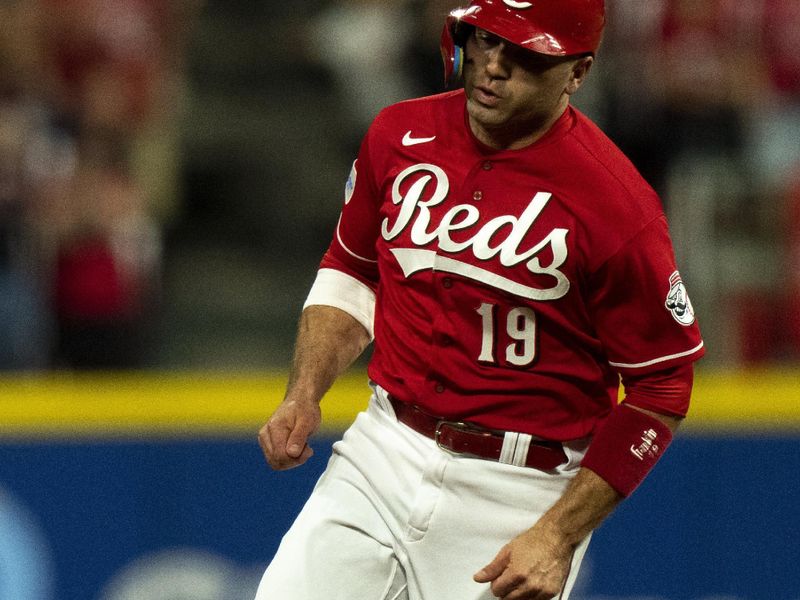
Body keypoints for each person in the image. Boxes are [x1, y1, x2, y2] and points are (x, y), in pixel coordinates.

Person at [255, 1, 705, 598]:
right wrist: (304, 392)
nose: (492, 66)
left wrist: (557, 535)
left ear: (578, 72)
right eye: (486, 40)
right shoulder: (399, 133)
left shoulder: (618, 206)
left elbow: (663, 386)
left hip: (522, 489)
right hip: (385, 446)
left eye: (524, 54)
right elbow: (352, 270)